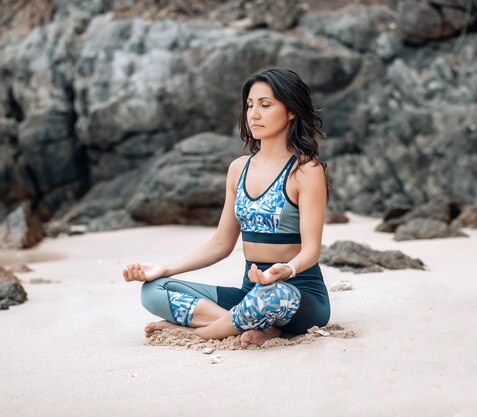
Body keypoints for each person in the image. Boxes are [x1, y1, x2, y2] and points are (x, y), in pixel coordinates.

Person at [123, 67, 331, 348]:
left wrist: (285, 270)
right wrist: (165, 269)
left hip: (296, 294)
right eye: (250, 105)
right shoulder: (238, 169)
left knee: (268, 297)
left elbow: (311, 251)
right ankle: (253, 326)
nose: (254, 114)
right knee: (153, 291)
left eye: (265, 105)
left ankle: (190, 332)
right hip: (250, 295)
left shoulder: (306, 171)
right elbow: (221, 243)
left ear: (291, 111)